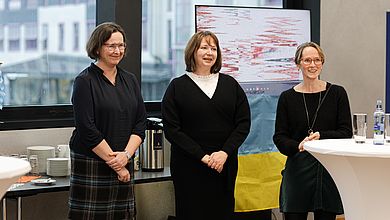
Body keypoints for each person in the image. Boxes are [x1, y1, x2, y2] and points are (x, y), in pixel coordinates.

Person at [162, 31, 251, 220]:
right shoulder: (177, 87)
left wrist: (224, 153)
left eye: (213, 48)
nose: (209, 52)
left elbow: (243, 123)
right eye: (204, 47)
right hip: (189, 166)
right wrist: (203, 157)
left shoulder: (231, 84)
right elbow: (172, 129)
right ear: (193, 51)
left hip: (224, 165)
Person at [68, 22, 146, 220]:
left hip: (124, 158)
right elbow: (87, 129)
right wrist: (118, 165)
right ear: (97, 47)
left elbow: (140, 123)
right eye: (111, 46)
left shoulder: (130, 80)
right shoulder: (84, 81)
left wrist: (126, 156)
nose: (117, 50)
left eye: (121, 45)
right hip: (93, 162)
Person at [273, 42, 352, 220]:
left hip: (328, 169)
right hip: (298, 169)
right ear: (298, 64)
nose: (313, 64)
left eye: (317, 60)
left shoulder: (337, 93)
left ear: (322, 63)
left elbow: (346, 132)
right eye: (307, 60)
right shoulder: (287, 97)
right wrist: (298, 145)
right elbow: (279, 137)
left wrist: (322, 136)